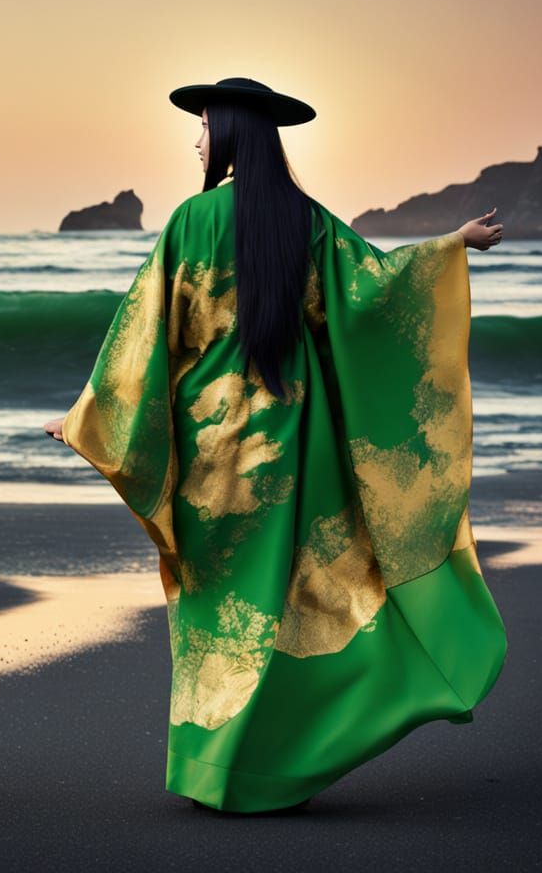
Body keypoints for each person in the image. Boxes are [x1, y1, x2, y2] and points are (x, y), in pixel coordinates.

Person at [42, 76, 508, 814]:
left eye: (202, 127)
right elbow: (376, 294)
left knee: (218, 609)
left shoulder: (191, 222)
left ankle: (215, 768)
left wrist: (88, 417)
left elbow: (146, 335)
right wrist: (454, 245)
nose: (197, 140)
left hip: (210, 455)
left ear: (227, 136)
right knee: (286, 603)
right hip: (295, 448)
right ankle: (281, 761)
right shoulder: (307, 221)